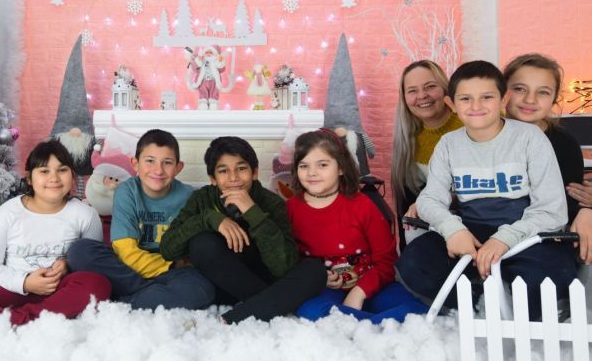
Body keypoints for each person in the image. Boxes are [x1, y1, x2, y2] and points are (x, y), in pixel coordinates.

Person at [395, 61, 577, 317]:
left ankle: (523, 310)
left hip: (523, 234)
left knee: (553, 273)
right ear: (452, 104)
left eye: (487, 97)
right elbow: (429, 199)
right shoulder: (448, 144)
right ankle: (475, 305)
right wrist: (453, 230)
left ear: (504, 99)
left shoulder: (530, 138)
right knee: (414, 263)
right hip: (471, 232)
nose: (476, 106)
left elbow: (552, 209)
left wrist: (503, 239)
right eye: (466, 98)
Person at [0, 141, 111, 324]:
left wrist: (68, 265)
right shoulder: (8, 213)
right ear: (29, 179)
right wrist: (25, 283)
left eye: (62, 170)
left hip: (61, 291)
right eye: (44, 171)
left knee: (98, 283)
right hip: (13, 291)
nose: (54, 178)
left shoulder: (85, 214)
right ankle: (34, 318)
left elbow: (92, 264)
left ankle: (18, 319)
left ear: (73, 176)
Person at [159, 136, 325, 324]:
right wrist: (210, 219)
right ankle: (273, 304)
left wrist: (252, 212)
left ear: (254, 172)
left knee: (315, 270)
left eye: (241, 169)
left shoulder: (272, 202)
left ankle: (236, 317)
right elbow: (168, 250)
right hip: (223, 285)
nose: (233, 178)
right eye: (223, 171)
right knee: (202, 243)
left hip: (264, 278)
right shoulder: (202, 199)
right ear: (213, 179)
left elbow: (283, 268)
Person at [502, 53, 592, 299]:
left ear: (555, 98)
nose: (530, 99)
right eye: (520, 89)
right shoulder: (486, 135)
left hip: (551, 224)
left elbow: (568, 197)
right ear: (503, 91)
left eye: (543, 92)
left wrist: (586, 211)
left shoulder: (564, 143)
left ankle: (572, 297)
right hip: (502, 223)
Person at [66, 129, 215, 310]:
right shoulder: (126, 191)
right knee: (80, 251)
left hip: (171, 274)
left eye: (167, 163)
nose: (158, 170)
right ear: (135, 164)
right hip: (130, 268)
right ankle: (148, 294)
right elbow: (125, 252)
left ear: (178, 167)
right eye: (150, 161)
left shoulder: (189, 197)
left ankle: (124, 300)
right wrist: (171, 266)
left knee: (202, 290)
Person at [290, 130, 427, 323]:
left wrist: (359, 292)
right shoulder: (290, 209)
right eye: (304, 166)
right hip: (326, 291)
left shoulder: (362, 205)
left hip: (372, 286)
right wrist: (317, 277)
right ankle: (374, 324)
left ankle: (356, 323)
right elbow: (289, 262)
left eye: (322, 165)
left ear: (341, 168)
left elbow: (386, 261)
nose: (312, 173)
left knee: (416, 310)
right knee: (311, 311)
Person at [390, 60, 463, 249]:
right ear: (404, 98)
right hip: (436, 221)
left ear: (445, 89)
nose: (422, 96)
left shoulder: (470, 122)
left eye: (430, 86)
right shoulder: (409, 141)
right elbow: (408, 207)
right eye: (412, 91)